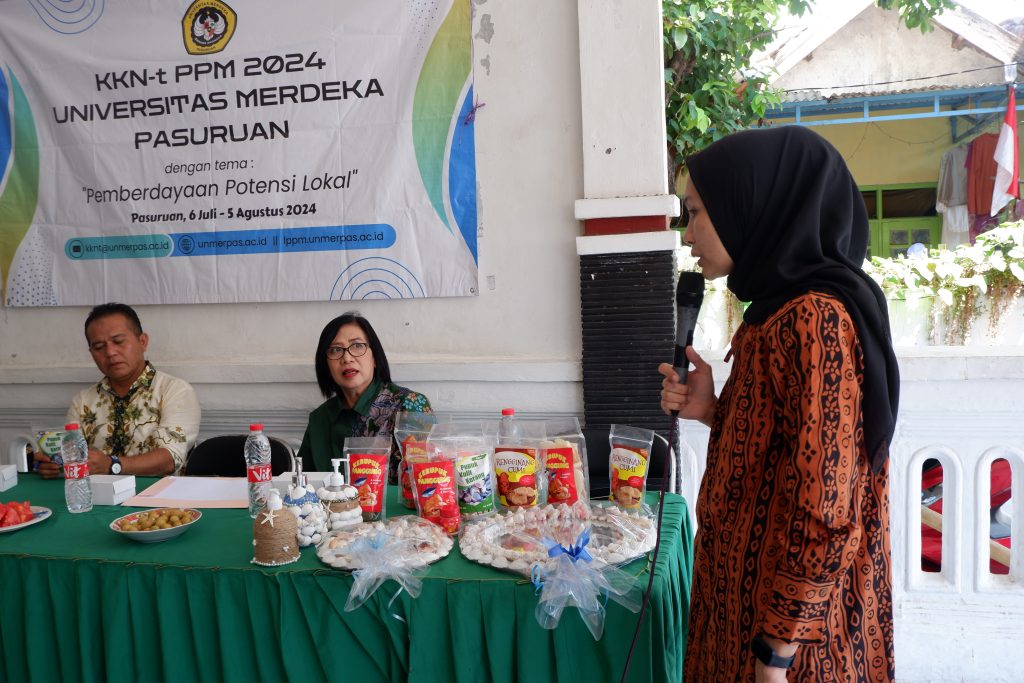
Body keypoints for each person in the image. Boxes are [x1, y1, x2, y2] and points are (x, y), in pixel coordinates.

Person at [659, 126, 900, 682]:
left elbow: (826, 507)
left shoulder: (813, 320)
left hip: (792, 645)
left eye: (695, 214)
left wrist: (776, 652)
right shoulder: (774, 310)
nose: (687, 235)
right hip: (742, 612)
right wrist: (713, 411)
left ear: (750, 206)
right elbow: (784, 453)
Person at [35, 303, 201, 478]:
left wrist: (112, 465)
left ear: (143, 341)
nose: (110, 352)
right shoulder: (82, 401)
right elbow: (72, 457)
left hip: (159, 493)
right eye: (99, 347)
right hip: (96, 493)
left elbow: (170, 459)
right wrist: (54, 464)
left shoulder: (175, 391)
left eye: (119, 342)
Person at [297, 312, 432, 481]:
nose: (347, 358)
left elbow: (427, 482)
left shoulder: (410, 405)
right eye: (335, 350)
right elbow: (302, 483)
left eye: (357, 346)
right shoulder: (320, 418)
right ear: (326, 366)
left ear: (375, 358)